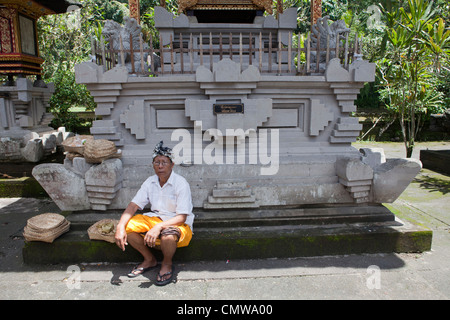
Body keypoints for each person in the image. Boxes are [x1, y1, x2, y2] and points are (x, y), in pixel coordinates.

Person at [115, 141, 194, 286]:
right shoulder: (150, 182)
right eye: (157, 162)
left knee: (168, 235)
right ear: (153, 164)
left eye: (164, 162)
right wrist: (120, 227)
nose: (160, 166)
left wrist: (158, 227)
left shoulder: (181, 183)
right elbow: (133, 206)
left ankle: (167, 264)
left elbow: (182, 216)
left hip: (178, 224)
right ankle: (149, 259)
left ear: (172, 164)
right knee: (128, 226)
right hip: (156, 219)